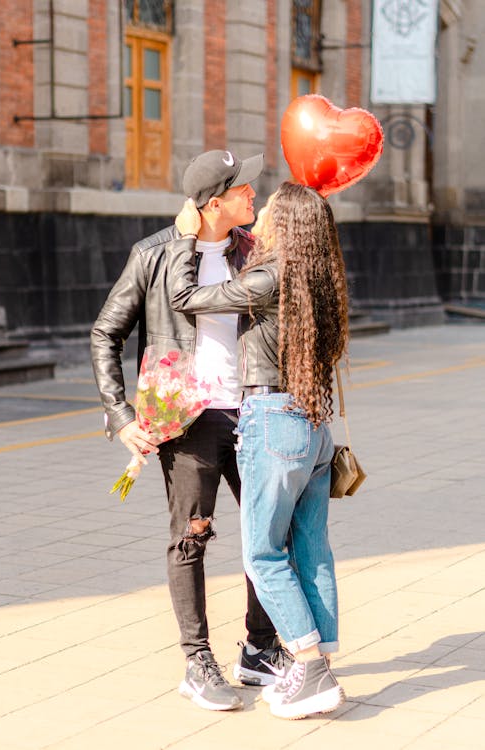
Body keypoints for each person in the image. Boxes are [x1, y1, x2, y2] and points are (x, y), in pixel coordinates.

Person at [91, 150, 291, 713]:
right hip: (188, 419)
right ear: (213, 202)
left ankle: (258, 648)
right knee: (192, 537)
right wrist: (120, 415)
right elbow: (106, 332)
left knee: (269, 535)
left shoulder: (254, 252)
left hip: (254, 409)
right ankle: (196, 661)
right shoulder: (154, 255)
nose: (255, 193)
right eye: (243, 188)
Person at [166, 181, 349, 719]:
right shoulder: (318, 280)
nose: (259, 215)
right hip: (314, 429)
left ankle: (309, 665)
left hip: (274, 423)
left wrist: (185, 240)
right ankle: (318, 665)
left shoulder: (269, 279)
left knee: (264, 556)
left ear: (285, 225)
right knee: (311, 551)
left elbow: (186, 299)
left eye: (269, 210)